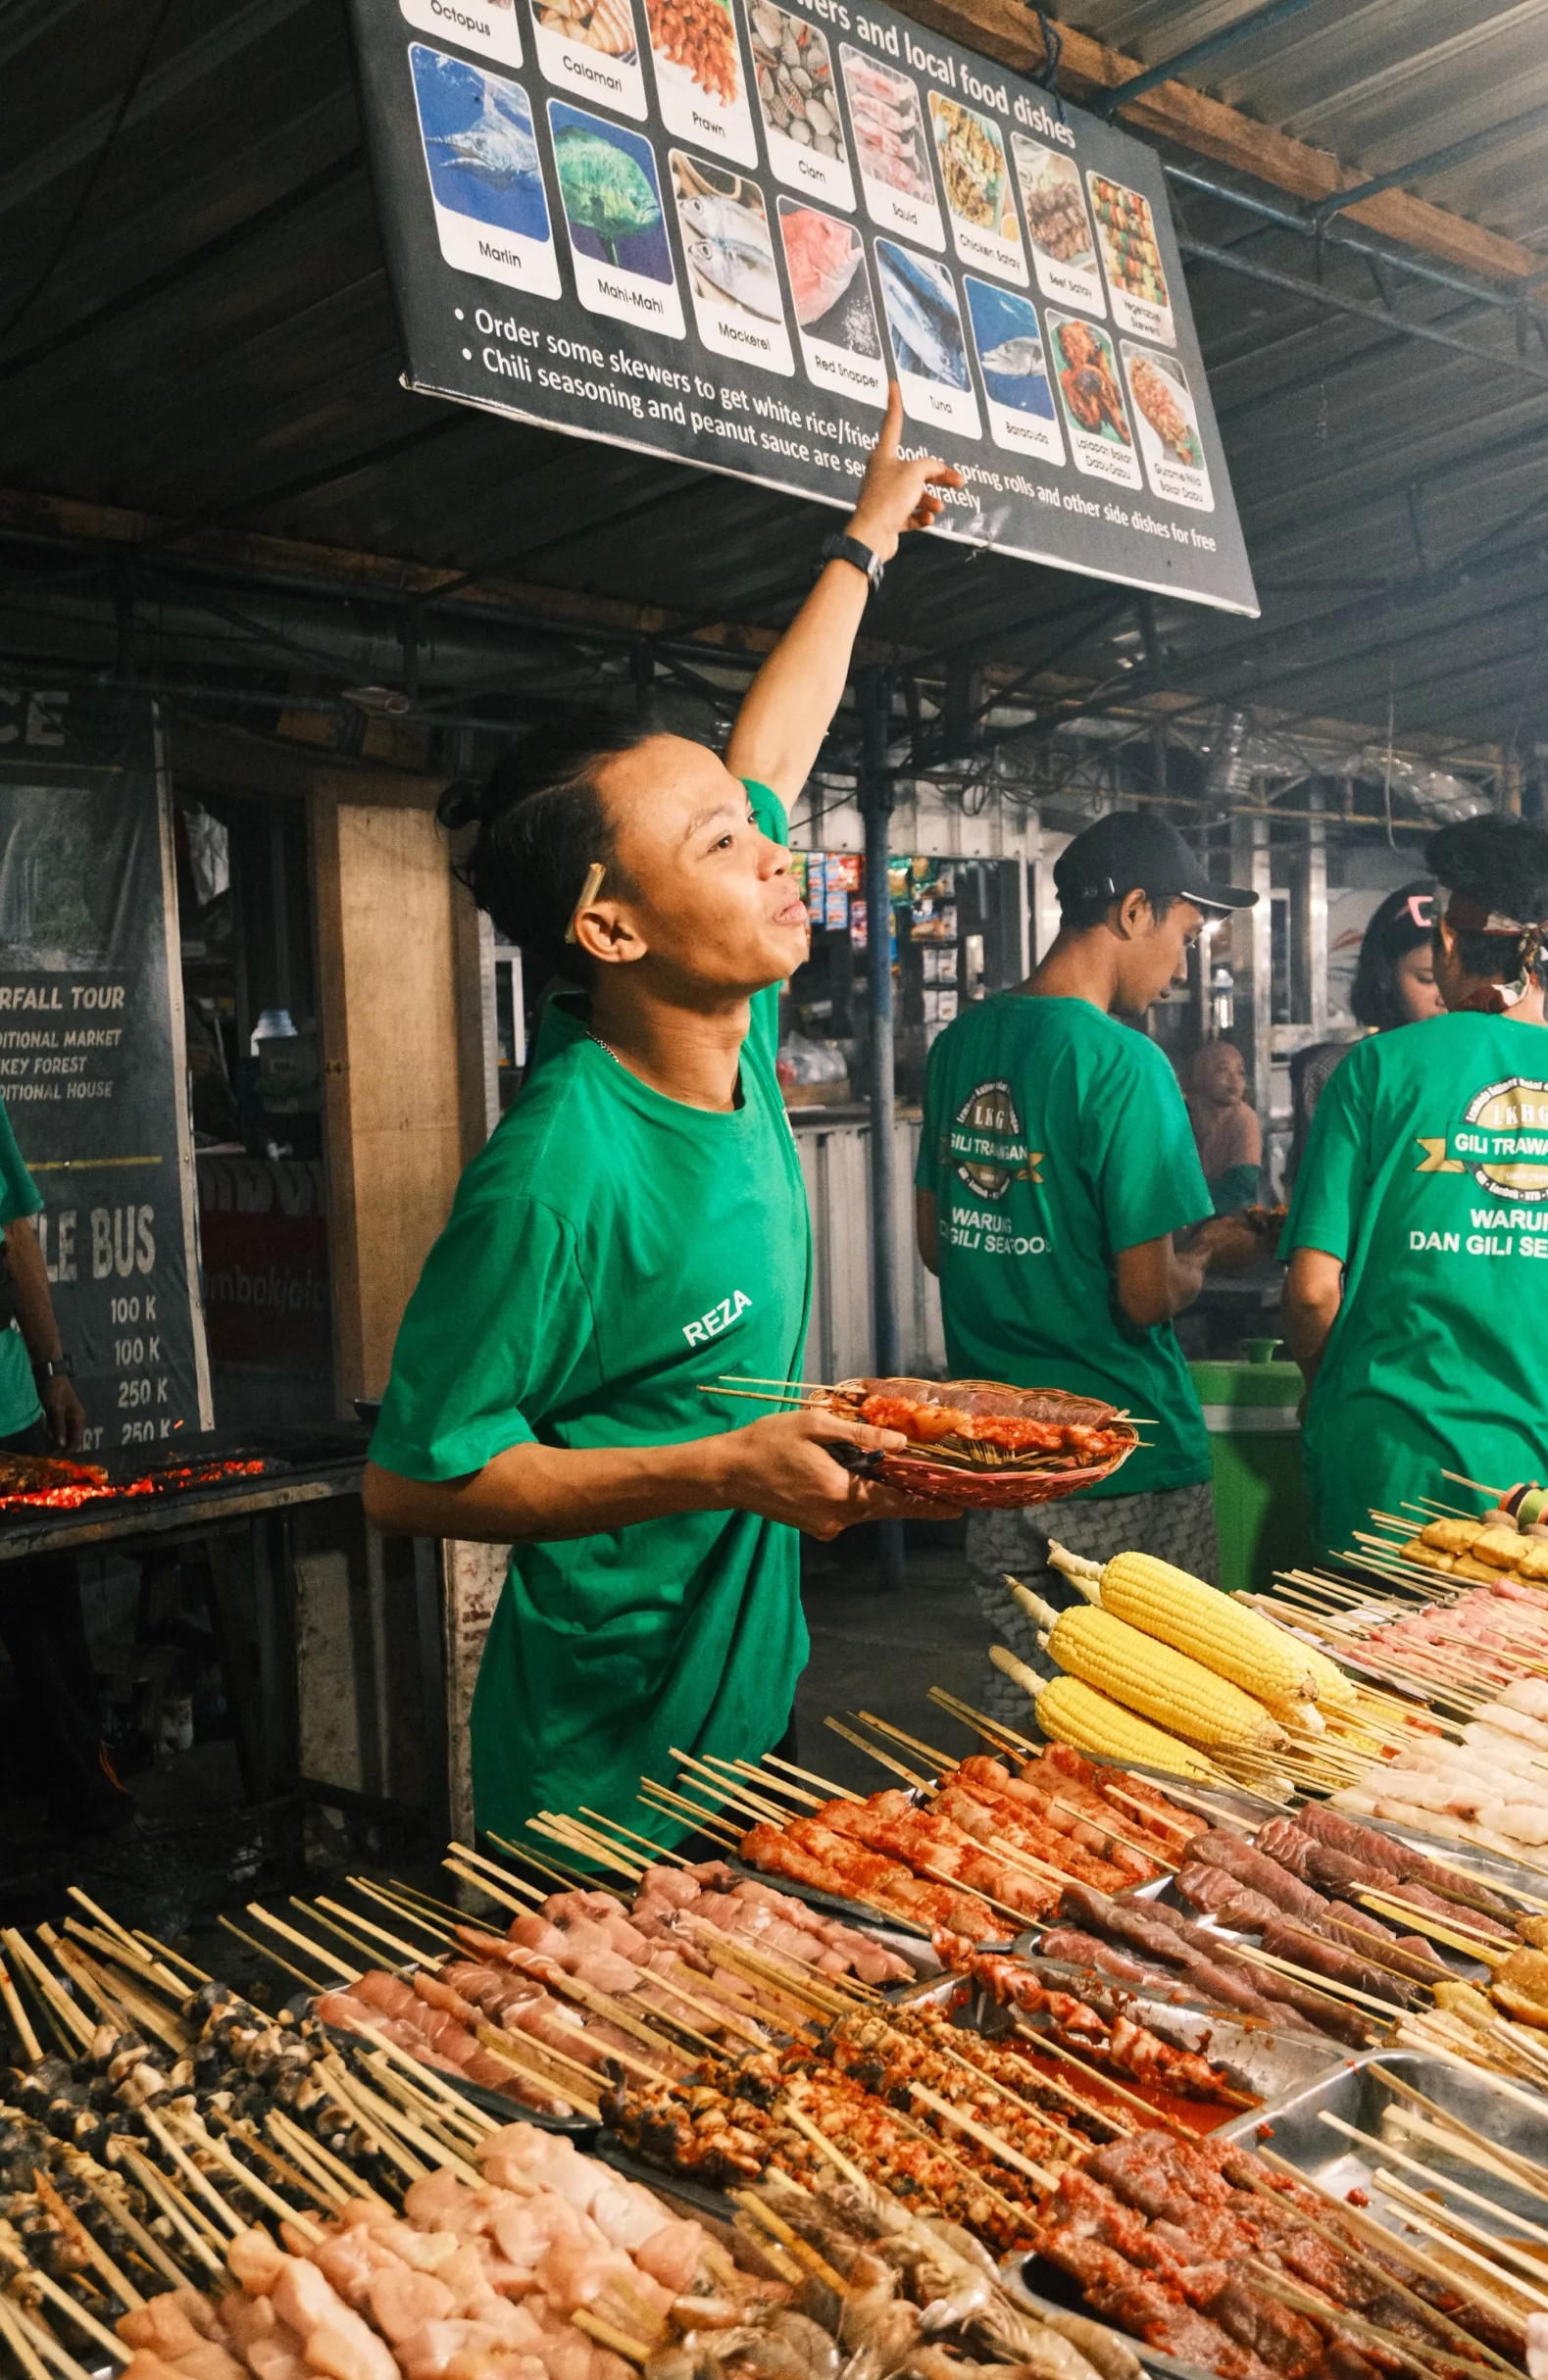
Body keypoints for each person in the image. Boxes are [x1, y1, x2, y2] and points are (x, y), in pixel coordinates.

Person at [362, 388, 962, 1846]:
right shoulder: (558, 1173)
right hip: (598, 1780)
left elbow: (777, 735)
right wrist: (712, 1469)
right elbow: (412, 1479)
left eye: (753, 829)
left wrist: (866, 537)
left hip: (751, 1709)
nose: (772, 850)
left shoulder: (723, 1017)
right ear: (612, 930)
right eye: (721, 841)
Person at [915, 811, 1261, 1667]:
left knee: (1028, 1688)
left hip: (996, 1445)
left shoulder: (963, 1042)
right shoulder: (1123, 1063)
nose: (1181, 965)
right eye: (1183, 933)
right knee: (1152, 1712)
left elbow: (936, 1241)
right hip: (1119, 1449)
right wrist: (1206, 1254)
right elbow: (1146, 1296)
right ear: (1133, 913)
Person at [1280, 818, 1548, 1561]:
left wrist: (1322, 1390)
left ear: (1448, 941)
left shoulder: (1373, 1072)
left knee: (1373, 1670)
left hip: (1385, 1469)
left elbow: (1309, 1294)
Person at [0, 1101, 131, 1835]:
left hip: (9, 1408)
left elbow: (16, 1233)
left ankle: (89, 1800)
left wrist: (52, 1368)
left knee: (48, 1623)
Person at [1284, 877, 1442, 1188]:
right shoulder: (1335, 1073)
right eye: (1426, 979)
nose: (1446, 995)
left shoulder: (1500, 1069)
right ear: (1386, 977)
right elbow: (1314, 1198)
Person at [1184, 1041, 1263, 1214]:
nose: (1234, 1079)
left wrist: (1194, 1213)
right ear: (1200, 1075)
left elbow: (1241, 1184)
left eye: (1240, 1072)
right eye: (1222, 1070)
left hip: (1230, 1216)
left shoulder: (1244, 1117)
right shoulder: (1184, 1113)